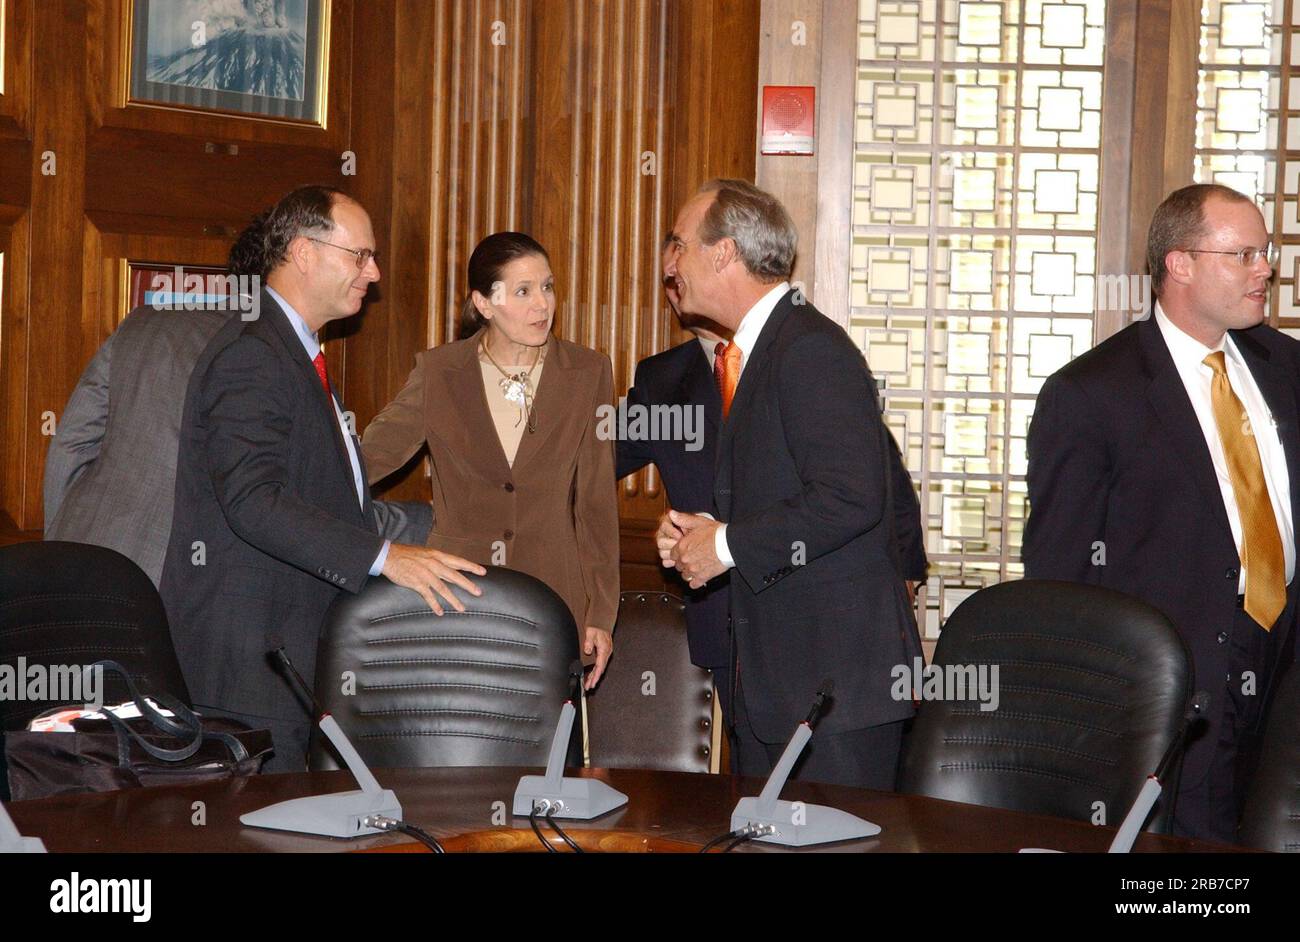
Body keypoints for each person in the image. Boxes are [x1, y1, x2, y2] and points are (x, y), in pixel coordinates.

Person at [159, 186, 484, 772]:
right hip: (248, 665)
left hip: (286, 652)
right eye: (360, 256)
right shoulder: (253, 354)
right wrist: (385, 557)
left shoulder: (292, 349)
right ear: (304, 253)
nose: (374, 272)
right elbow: (253, 501)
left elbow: (330, 499)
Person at [1024, 183, 1300, 842]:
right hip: (1174, 676)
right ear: (1179, 264)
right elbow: (1061, 575)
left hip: (1285, 658)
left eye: (1265, 254)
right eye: (1242, 255)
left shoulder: (1286, 366)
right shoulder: (1090, 394)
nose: (1264, 269)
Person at [656, 179, 923, 788]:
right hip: (782, 688)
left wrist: (723, 547)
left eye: (681, 244)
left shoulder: (807, 350)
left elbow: (851, 497)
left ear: (724, 253)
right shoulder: (759, 349)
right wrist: (707, 534)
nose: (672, 263)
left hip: (835, 694)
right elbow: (785, 495)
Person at [43, 217, 433, 587]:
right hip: (190, 591)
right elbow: (315, 504)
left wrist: (61, 537)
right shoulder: (286, 359)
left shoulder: (146, 322)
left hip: (84, 563)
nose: (369, 274)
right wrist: (435, 526)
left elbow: (71, 445)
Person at [361, 232, 619, 689]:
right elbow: (367, 461)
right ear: (484, 303)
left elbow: (596, 503)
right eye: (523, 291)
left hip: (554, 597)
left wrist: (599, 611)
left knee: (544, 751)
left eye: (548, 286)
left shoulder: (588, 373)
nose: (543, 304)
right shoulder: (440, 372)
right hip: (457, 597)